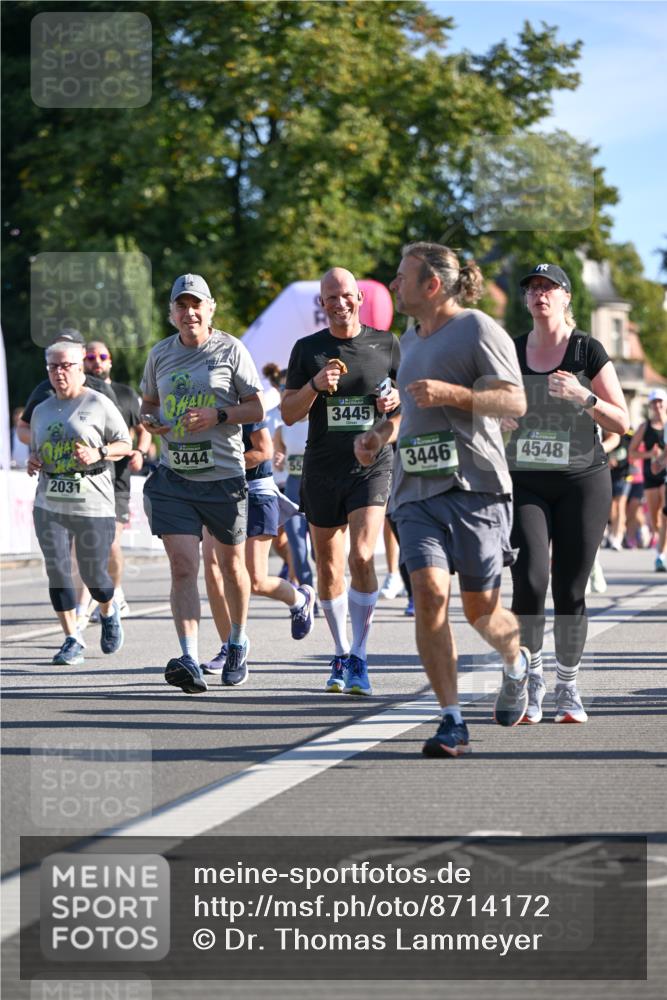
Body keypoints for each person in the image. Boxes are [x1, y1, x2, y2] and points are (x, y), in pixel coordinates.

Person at [355, 242, 530, 756]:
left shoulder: (476, 328)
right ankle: (451, 720)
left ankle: (517, 663)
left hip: (476, 488)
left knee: (482, 611)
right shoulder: (407, 341)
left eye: (401, 277)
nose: (392, 285)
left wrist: (454, 394)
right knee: (429, 595)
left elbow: (514, 399)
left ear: (432, 285)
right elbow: (410, 412)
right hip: (416, 492)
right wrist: (377, 435)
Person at [504, 263, 629, 724]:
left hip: (582, 480)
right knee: (531, 580)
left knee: (571, 589)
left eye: (549, 288)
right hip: (527, 480)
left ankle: (568, 687)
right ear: (526, 300)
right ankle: (532, 681)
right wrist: (500, 417)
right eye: (533, 288)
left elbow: (622, 421)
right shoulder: (512, 350)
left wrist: (584, 397)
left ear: (565, 297)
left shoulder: (586, 350)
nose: (540, 295)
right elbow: (492, 407)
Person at [140, 273, 263, 693]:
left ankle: (237, 640)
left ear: (211, 308)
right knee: (183, 566)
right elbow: (149, 402)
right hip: (175, 477)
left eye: (197, 305)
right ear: (172, 313)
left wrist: (218, 416)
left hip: (223, 477)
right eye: (181, 305)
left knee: (231, 566)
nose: (189, 312)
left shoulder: (230, 349)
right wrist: (151, 421)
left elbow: (258, 406)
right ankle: (189, 657)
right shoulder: (160, 354)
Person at [282, 267, 401, 696]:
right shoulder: (307, 350)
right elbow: (290, 412)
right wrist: (314, 385)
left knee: (363, 557)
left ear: (359, 298)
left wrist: (395, 403)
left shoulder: (386, 344)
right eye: (330, 297)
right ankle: (340, 650)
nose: (339, 303)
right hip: (322, 468)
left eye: (346, 295)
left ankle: (361, 657)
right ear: (322, 304)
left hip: (371, 466)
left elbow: (403, 413)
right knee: (329, 567)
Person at [27, 340, 131, 665]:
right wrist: (34, 461)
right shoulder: (41, 410)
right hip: (50, 502)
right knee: (57, 569)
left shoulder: (98, 403)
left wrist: (98, 452)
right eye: (53, 366)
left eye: (66, 366)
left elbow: (125, 443)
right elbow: (39, 449)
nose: (59, 372)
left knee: (94, 576)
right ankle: (72, 638)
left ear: (80, 368)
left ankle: (107, 607)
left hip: (93, 503)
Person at [200, 418, 314, 678]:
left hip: (256, 491)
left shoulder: (243, 399)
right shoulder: (195, 397)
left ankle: (300, 599)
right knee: (213, 568)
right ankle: (231, 647)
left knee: (254, 580)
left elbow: (263, 451)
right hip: (217, 493)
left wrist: (222, 463)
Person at [82, 340, 153, 619]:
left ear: (110, 361)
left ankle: (116, 593)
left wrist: (141, 451)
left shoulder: (125, 394)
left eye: (102, 356)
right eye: (90, 357)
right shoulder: (78, 396)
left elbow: (143, 428)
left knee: (111, 540)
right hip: (86, 480)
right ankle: (93, 597)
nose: (96, 361)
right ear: (83, 362)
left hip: (118, 479)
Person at [629, 389, 667, 571]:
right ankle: (660, 547)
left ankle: (662, 554)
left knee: (665, 514)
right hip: (650, 475)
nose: (657, 406)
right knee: (655, 518)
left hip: (665, 477)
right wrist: (649, 454)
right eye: (654, 403)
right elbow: (632, 452)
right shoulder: (645, 427)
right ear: (650, 406)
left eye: (660, 402)